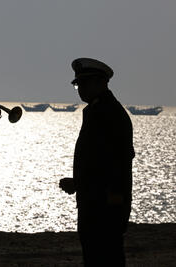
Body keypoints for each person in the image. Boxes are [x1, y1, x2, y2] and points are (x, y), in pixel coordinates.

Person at [59, 58, 135, 267]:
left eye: (84, 83)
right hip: (96, 202)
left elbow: (114, 164)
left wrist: (82, 184)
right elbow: (97, 161)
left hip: (104, 206)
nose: (80, 89)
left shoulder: (108, 113)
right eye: (78, 84)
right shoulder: (98, 111)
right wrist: (79, 182)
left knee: (104, 256)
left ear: (101, 82)